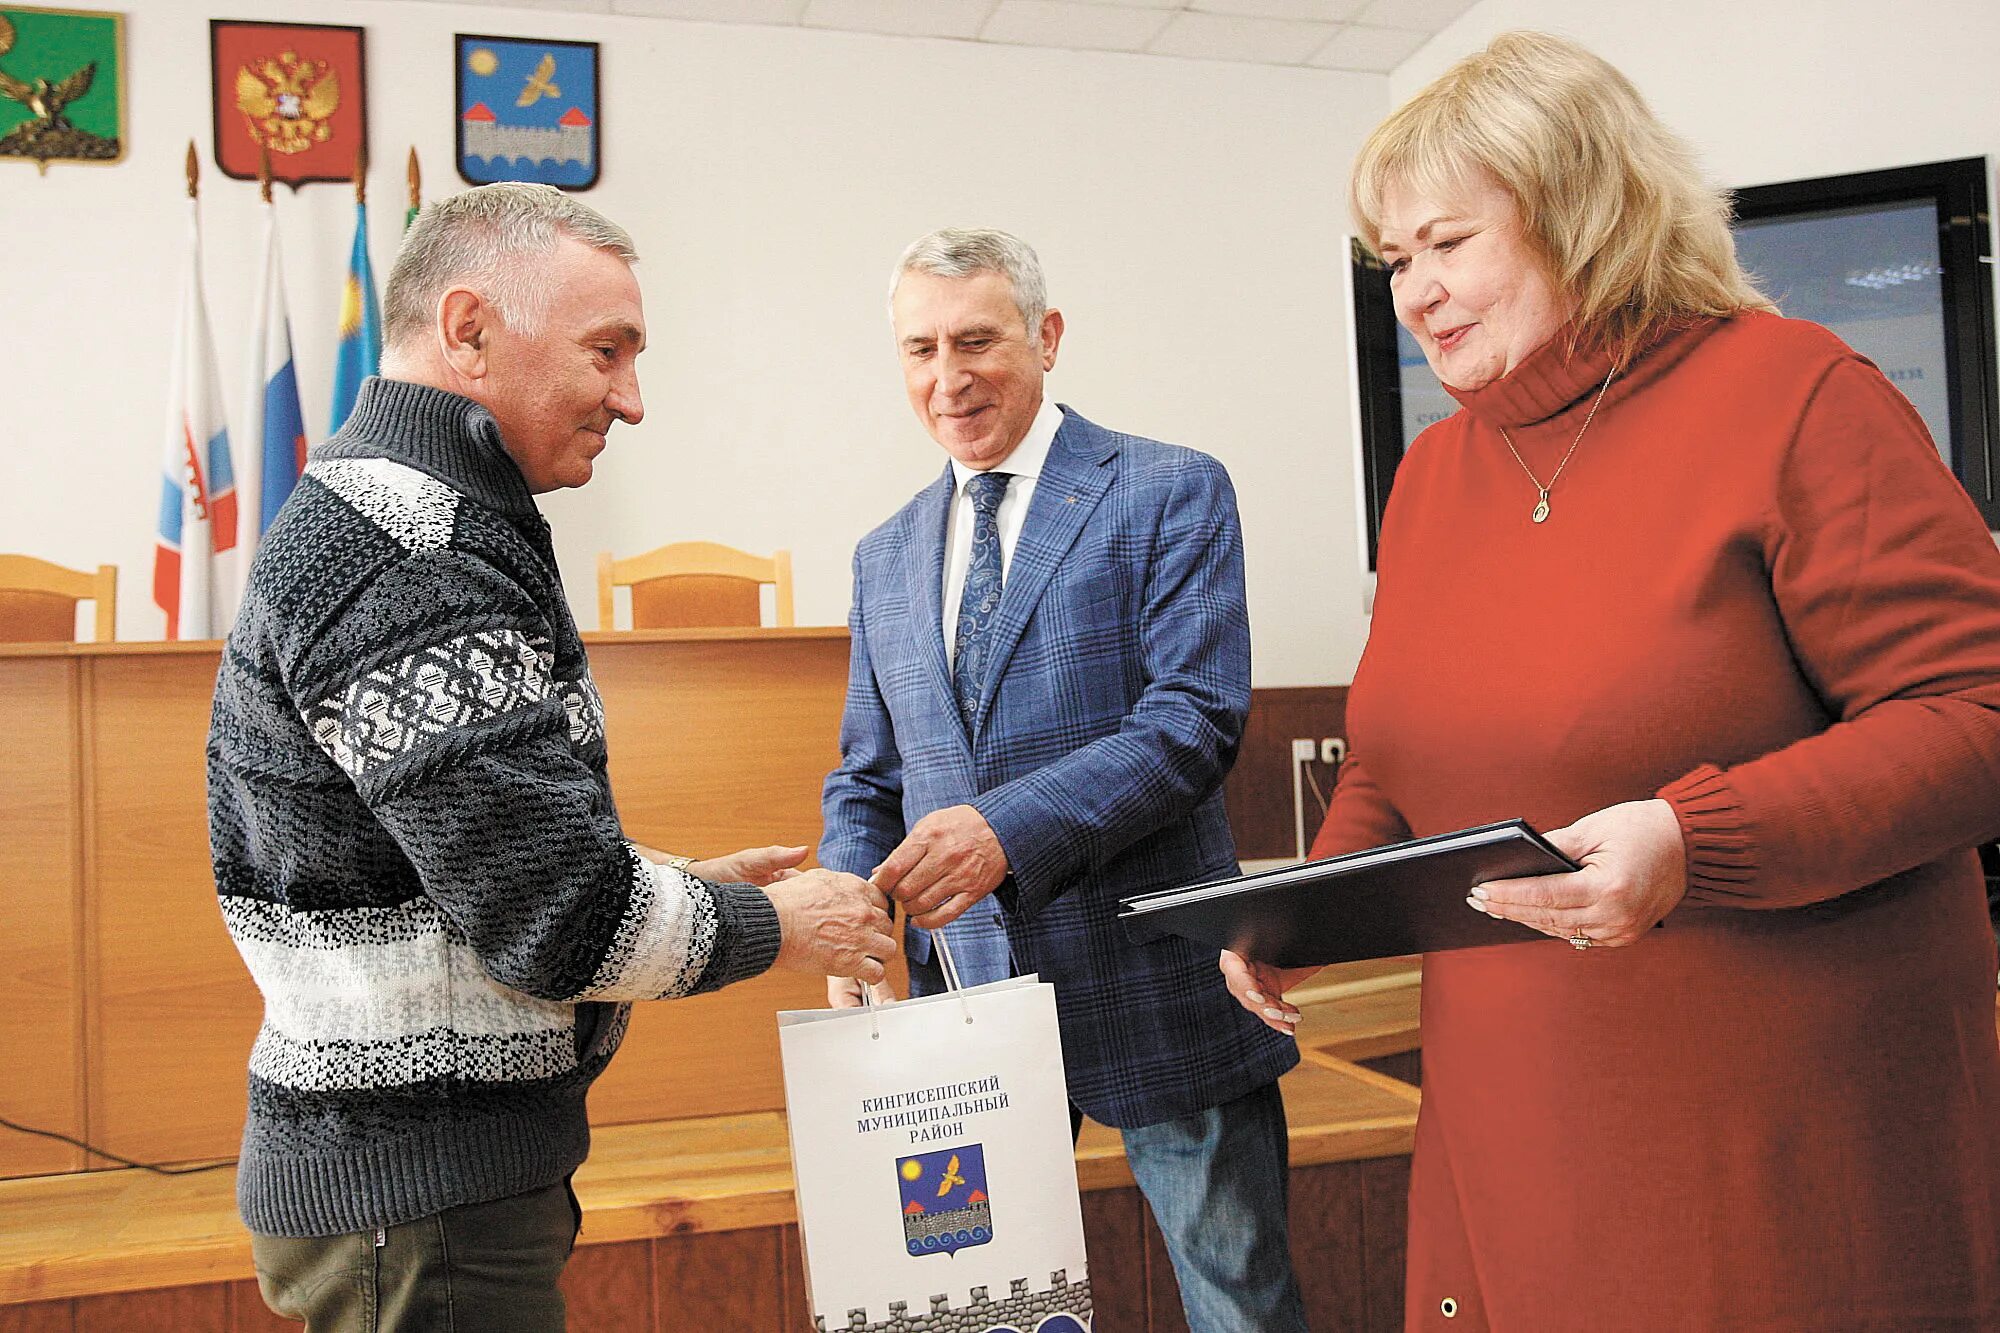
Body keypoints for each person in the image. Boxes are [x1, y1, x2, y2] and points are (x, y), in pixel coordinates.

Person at [1223, 30, 2000, 1330]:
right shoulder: (1433, 476)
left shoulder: (1798, 395)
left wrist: (1695, 838)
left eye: (1449, 243)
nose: (1414, 292)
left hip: (1775, 1134)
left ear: (1584, 212)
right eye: (1396, 260)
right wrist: (1305, 906)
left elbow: (1973, 711)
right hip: (1511, 1118)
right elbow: (1401, 753)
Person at [208, 182, 895, 1333]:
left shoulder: (416, 518)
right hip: (418, 1190)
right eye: (607, 351)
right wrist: (783, 925)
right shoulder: (409, 552)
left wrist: (687, 893)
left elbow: (481, 869)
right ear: (470, 331)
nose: (631, 399)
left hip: (418, 1173)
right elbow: (551, 919)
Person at [821, 227, 1310, 1332]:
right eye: (918, 348)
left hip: (1160, 989)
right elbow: (865, 774)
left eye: (976, 340)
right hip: (964, 1023)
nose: (947, 378)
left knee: (1240, 1297)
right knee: (974, 1311)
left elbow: (1192, 723)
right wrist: (849, 913)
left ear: (1045, 337)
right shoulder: (880, 553)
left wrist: (1004, 831)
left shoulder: (1169, 490)